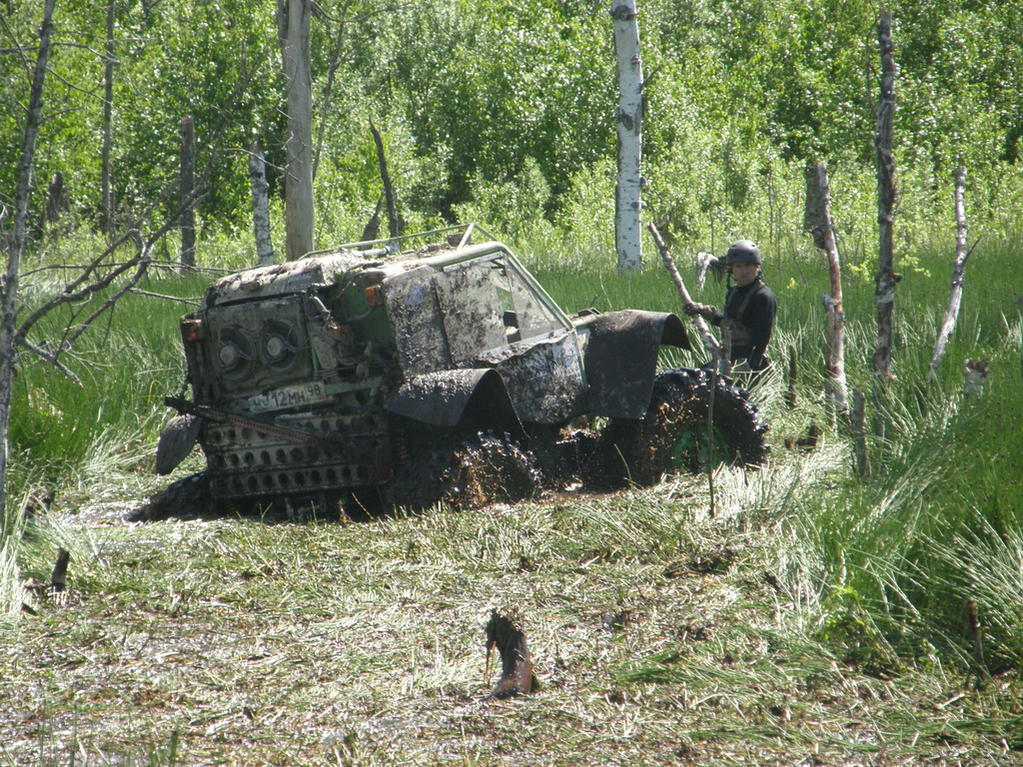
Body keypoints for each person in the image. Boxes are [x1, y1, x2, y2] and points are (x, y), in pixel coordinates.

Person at [684, 239, 776, 373]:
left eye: (748, 266)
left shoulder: (764, 297)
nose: (744, 271)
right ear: (731, 269)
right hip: (728, 357)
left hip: (750, 363)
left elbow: (762, 339)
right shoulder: (734, 292)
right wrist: (705, 313)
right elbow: (731, 324)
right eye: (738, 266)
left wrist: (748, 370)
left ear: (757, 267)